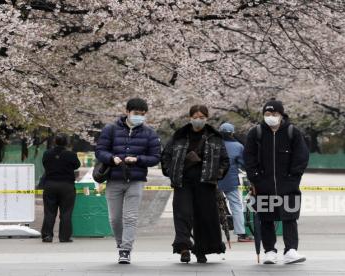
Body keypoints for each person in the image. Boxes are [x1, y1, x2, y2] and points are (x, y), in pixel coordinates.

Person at [95, 98, 161, 264]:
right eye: (136, 113)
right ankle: (120, 243)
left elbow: (155, 157)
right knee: (114, 218)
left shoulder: (149, 133)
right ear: (127, 112)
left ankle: (125, 249)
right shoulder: (110, 129)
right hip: (113, 178)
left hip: (135, 180)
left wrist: (137, 159)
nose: (139, 117)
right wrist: (112, 158)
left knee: (130, 217)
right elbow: (100, 151)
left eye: (142, 114)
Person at [161, 105, 230, 264]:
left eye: (202, 117)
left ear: (207, 118)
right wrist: (171, 171)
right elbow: (166, 156)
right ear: (190, 117)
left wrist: (216, 174)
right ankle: (184, 247)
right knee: (182, 214)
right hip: (183, 181)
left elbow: (224, 160)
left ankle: (202, 249)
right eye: (196, 116)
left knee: (203, 216)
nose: (198, 120)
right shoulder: (179, 135)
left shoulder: (214, 137)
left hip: (205, 183)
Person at [243, 99, 309, 265]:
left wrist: (294, 177)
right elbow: (248, 158)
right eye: (267, 113)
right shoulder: (255, 133)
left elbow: (301, 156)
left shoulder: (292, 132)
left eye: (274, 114)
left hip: (288, 184)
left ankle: (291, 250)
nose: (270, 116)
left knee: (289, 217)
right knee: (266, 218)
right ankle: (270, 251)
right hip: (263, 184)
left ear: (281, 114)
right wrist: (256, 178)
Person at [41, 133, 81, 243]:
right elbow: (77, 165)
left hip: (50, 184)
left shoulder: (47, 154)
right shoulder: (71, 155)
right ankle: (64, 237)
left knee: (49, 211)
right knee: (66, 212)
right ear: (67, 143)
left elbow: (44, 164)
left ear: (55, 142)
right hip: (66, 185)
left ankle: (47, 235)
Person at [218, 122, 253, 242]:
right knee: (236, 206)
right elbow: (243, 164)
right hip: (230, 180)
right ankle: (241, 234)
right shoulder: (238, 146)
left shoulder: (213, 144)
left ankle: (210, 235)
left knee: (210, 207)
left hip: (213, 181)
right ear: (232, 133)